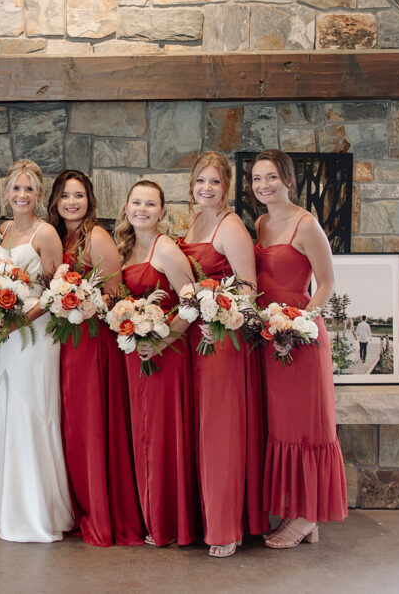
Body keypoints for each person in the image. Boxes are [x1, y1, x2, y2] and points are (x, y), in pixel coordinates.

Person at [250, 149, 347, 548]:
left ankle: (307, 516)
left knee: (308, 427)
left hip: (301, 336)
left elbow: (326, 283)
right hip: (271, 338)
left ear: (287, 179)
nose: (263, 185)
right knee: (284, 427)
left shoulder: (306, 225)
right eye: (257, 179)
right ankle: (300, 513)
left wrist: (300, 321)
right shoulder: (259, 223)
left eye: (271, 177)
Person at [46, 170, 144, 547]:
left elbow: (115, 294)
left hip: (93, 344)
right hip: (68, 345)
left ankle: (103, 514)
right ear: (55, 201)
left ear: (90, 201)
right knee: (74, 429)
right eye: (66, 196)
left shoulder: (96, 236)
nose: (72, 202)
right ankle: (83, 506)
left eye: (80, 195)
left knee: (91, 427)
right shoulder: (59, 236)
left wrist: (87, 305)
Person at [178, 152, 268, 557]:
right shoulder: (195, 220)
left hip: (221, 340)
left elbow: (248, 288)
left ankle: (226, 526)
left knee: (220, 433)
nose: (206, 189)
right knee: (199, 430)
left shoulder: (231, 227)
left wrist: (215, 307)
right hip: (192, 338)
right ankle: (204, 517)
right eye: (200, 181)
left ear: (226, 187)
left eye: (214, 182)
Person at [0, 159, 74, 543]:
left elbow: (59, 290)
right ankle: (8, 508)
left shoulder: (46, 232)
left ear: (39, 194)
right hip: (9, 337)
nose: (22, 196)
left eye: (29, 189)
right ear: (6, 192)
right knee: (10, 411)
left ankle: (39, 511)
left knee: (34, 411)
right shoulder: (1, 231)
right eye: (16, 188)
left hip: (36, 337)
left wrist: (23, 317)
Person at [114, 179, 198, 548]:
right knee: (144, 435)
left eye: (150, 204)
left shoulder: (165, 250)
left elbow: (193, 302)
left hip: (165, 356)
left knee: (161, 436)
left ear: (162, 211)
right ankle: (152, 515)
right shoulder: (127, 248)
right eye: (136, 203)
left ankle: (168, 523)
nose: (142, 210)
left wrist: (162, 341)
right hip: (137, 354)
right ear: (127, 207)